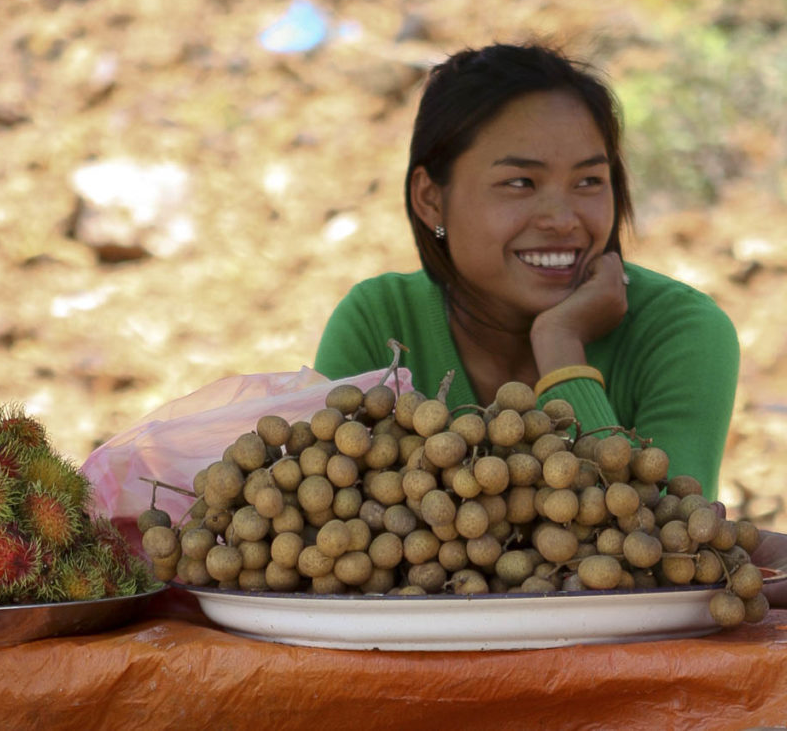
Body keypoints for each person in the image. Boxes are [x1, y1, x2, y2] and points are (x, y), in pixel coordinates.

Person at [314, 42, 786, 605]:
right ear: (430, 199)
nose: (563, 220)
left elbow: (658, 555)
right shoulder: (379, 322)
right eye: (520, 184)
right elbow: (328, 536)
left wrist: (561, 346)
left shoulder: (681, 331)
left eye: (589, 182)